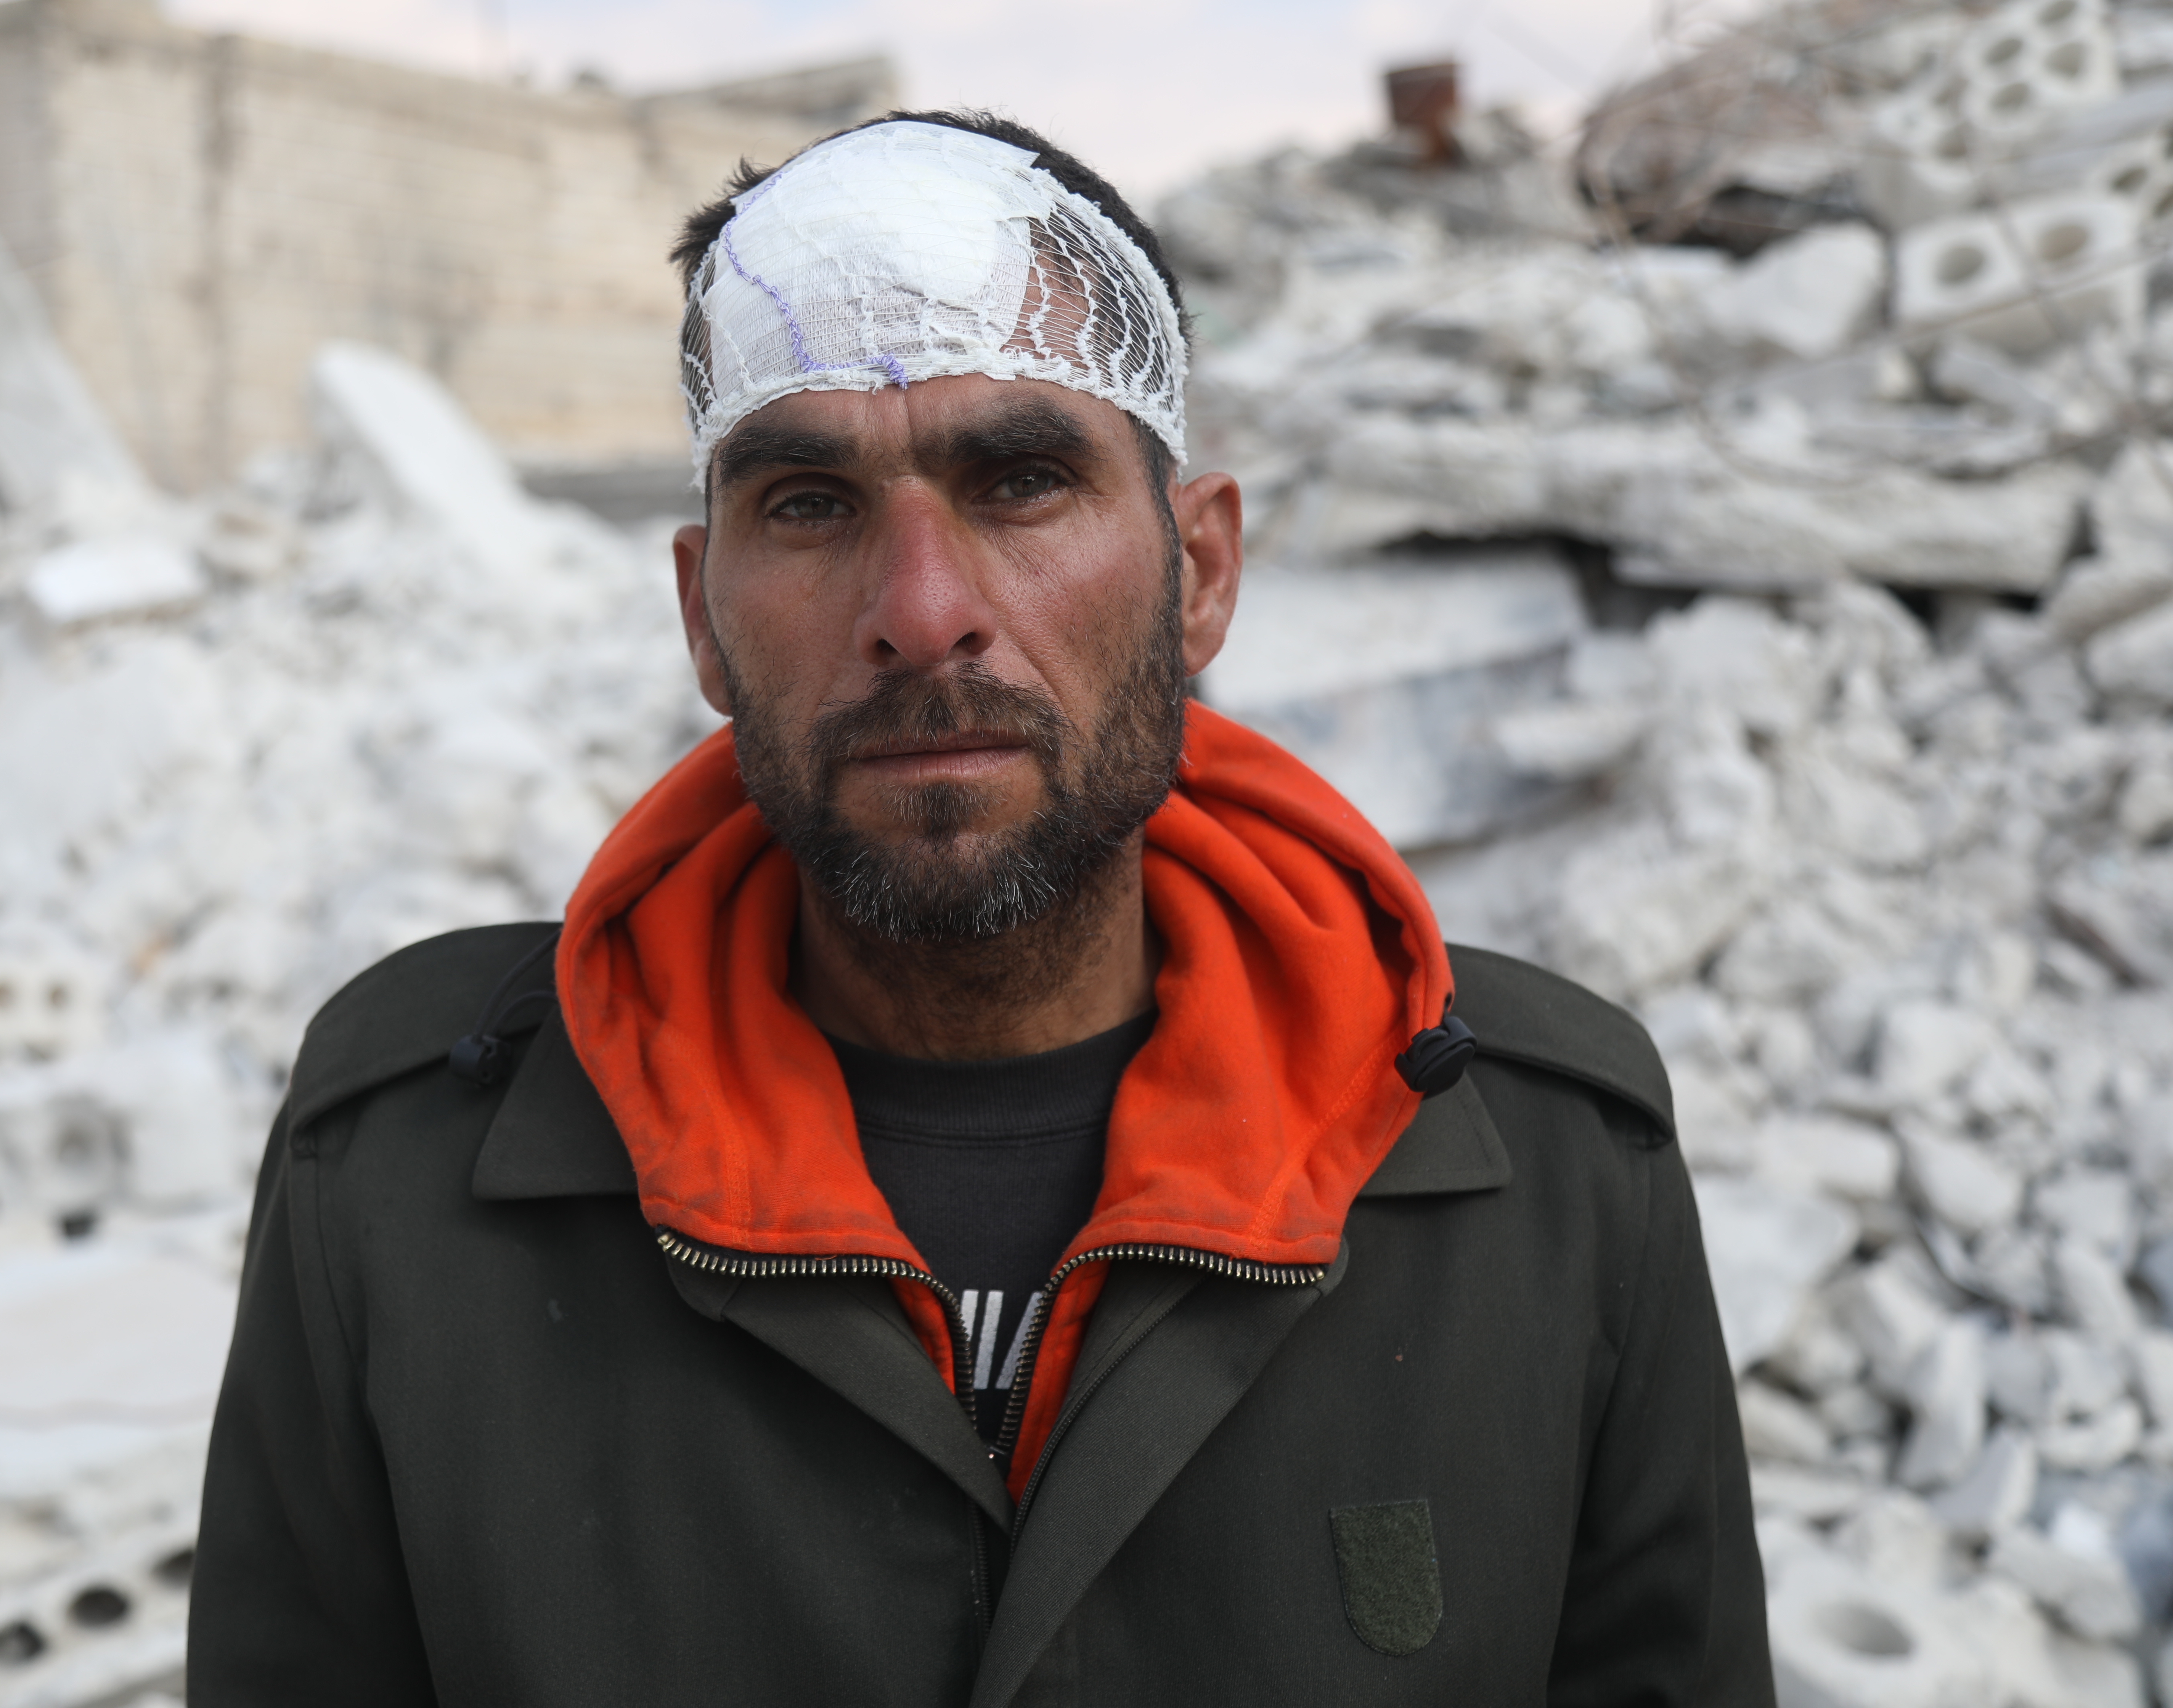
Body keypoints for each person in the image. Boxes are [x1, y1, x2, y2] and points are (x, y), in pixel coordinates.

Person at [190, 110, 1772, 1705]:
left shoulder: (1553, 1183)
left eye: (1021, 480)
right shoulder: (401, 1183)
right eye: (809, 501)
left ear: (1201, 570)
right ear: (703, 617)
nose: (924, 613)